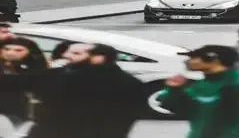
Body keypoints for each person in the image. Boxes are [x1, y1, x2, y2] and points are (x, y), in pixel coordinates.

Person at [5, 43, 147, 138]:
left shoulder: (66, 77)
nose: (66, 55)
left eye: (76, 53)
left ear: (99, 58)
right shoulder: (131, 83)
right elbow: (18, 81)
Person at [157, 45, 239, 138]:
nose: (187, 61)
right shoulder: (202, 84)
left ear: (212, 58)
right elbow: (179, 109)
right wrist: (174, 89)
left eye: (193, 58)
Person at [0, 37, 48, 125]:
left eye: (18, 50)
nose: (10, 53)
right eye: (6, 49)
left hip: (20, 113)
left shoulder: (35, 68)